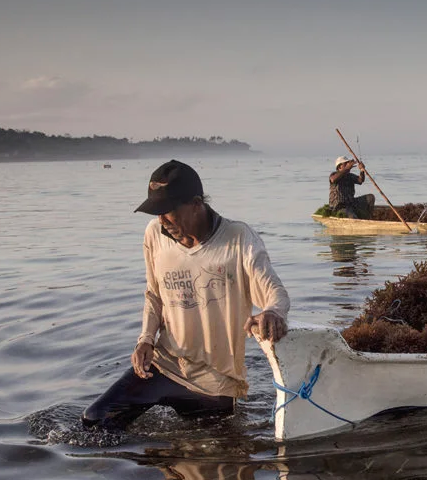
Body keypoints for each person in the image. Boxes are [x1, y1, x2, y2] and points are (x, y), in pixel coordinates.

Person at [82, 159, 290, 430]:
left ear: (196, 203)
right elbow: (154, 294)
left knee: (212, 458)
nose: (161, 220)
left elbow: (275, 292)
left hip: (216, 384)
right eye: (156, 212)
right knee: (96, 420)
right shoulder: (154, 234)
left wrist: (272, 312)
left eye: (167, 211)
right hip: (165, 365)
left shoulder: (239, 239)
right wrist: (145, 339)